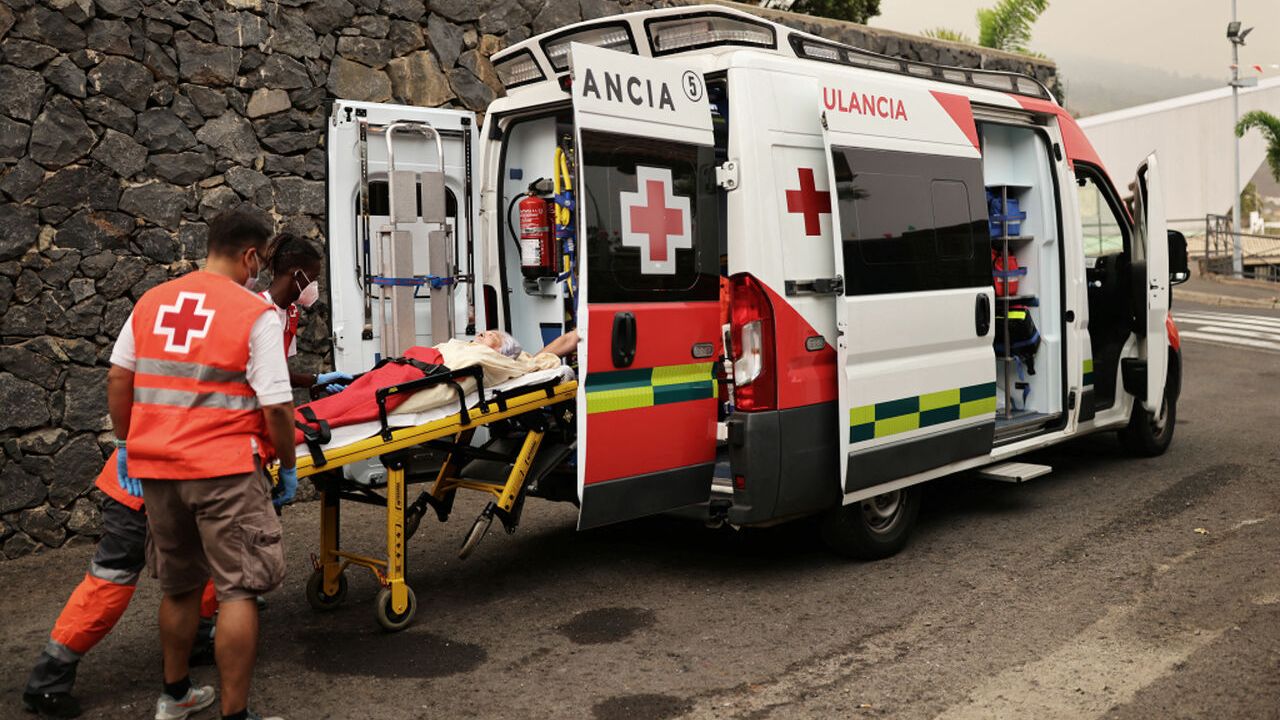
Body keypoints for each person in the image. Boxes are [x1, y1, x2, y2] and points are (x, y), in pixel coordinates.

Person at [108, 206, 296, 720]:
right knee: (238, 590)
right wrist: (287, 463)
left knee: (179, 587)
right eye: (260, 263)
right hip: (225, 471)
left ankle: (174, 697)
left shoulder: (152, 301)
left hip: (158, 471)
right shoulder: (253, 313)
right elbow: (277, 407)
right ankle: (234, 715)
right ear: (251, 256)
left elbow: (119, 377)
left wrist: (125, 443)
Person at [20, 455, 220, 719]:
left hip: (145, 484)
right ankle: (49, 680)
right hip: (153, 490)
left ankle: (196, 638)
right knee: (110, 583)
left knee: (203, 563)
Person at [258, 233, 351, 393]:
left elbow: (280, 371)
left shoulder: (292, 313)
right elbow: (266, 373)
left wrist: (316, 380)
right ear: (297, 275)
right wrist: (314, 380)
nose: (315, 285)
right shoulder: (258, 310)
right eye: (313, 279)